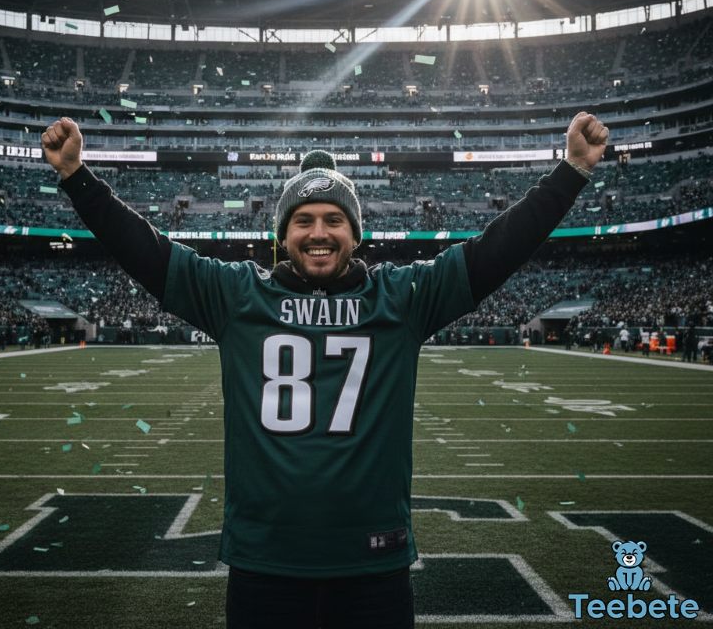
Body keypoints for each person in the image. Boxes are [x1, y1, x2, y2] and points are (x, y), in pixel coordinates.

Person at [42, 111, 608, 629]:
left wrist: (571, 172)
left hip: (372, 560)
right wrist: (77, 177)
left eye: (334, 219)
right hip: (265, 559)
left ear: (356, 233)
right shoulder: (236, 295)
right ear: (282, 236)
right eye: (304, 220)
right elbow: (146, 251)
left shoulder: (402, 298)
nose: (318, 233)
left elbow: (496, 250)